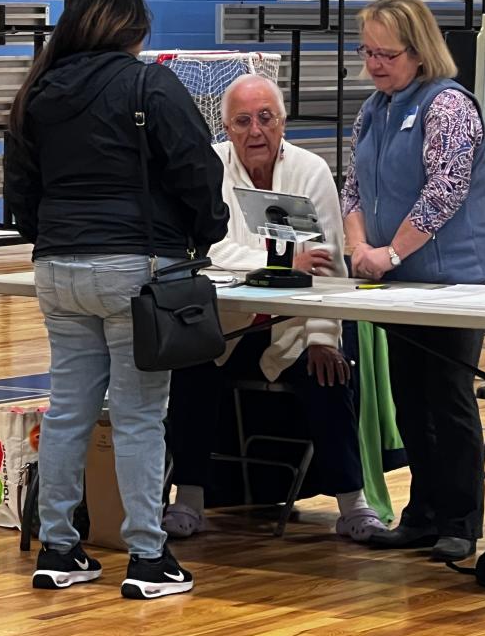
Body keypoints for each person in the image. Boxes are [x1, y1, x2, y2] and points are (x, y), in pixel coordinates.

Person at [3, 0, 229, 599]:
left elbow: (18, 190)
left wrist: (53, 237)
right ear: (135, 26)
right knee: (138, 416)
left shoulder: (38, 91)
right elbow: (197, 169)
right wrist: (200, 238)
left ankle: (58, 547)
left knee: (71, 409)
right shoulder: (148, 83)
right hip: (135, 267)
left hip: (58, 267)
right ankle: (149, 558)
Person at [163, 74, 386, 542]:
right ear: (226, 128)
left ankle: (353, 504)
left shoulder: (310, 171)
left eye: (265, 118)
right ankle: (188, 499)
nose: (255, 131)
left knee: (331, 370)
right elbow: (210, 250)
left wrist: (325, 337)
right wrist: (281, 261)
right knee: (191, 369)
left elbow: (328, 264)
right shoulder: (210, 166)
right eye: (242, 121)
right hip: (228, 326)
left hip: (295, 328)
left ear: (283, 122)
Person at [341, 0, 485, 562]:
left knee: (448, 398)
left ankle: (460, 518)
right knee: (409, 397)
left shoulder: (449, 106)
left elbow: (445, 191)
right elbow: (354, 187)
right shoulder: (373, 110)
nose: (375, 64)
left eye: (387, 53)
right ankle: (422, 513)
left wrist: (389, 251)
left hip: (452, 280)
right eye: (368, 51)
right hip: (396, 279)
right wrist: (359, 245)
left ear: (419, 51)